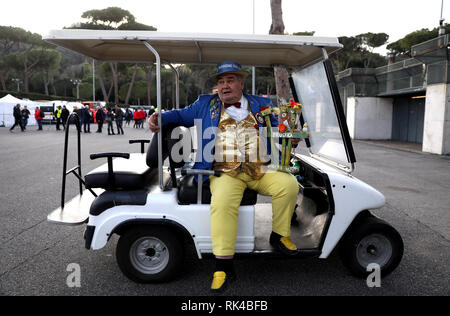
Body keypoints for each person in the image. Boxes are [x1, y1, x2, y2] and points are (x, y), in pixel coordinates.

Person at [148, 61, 301, 293]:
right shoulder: (205, 104)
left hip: (259, 170)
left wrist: (292, 134)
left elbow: (282, 128)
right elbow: (178, 115)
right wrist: (157, 117)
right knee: (222, 204)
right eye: (221, 82)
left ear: (241, 83)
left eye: (230, 80)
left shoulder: (261, 104)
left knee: (288, 184)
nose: (224, 86)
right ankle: (223, 266)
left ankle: (279, 235)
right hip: (224, 171)